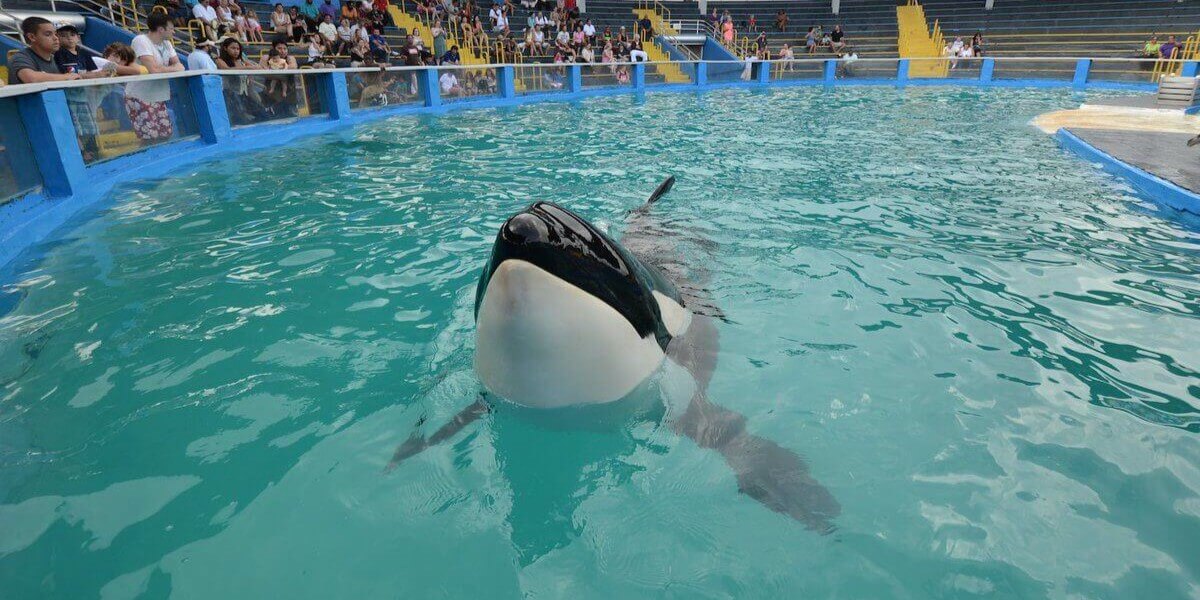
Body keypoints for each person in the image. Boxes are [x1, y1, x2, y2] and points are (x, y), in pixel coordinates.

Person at [126, 14, 184, 141]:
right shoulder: (141, 40)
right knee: (150, 137)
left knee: (165, 133)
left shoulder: (167, 44)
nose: (173, 31)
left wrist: (166, 68)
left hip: (158, 96)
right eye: (171, 28)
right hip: (140, 97)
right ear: (161, 29)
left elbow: (180, 65)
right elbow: (154, 70)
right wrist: (172, 68)